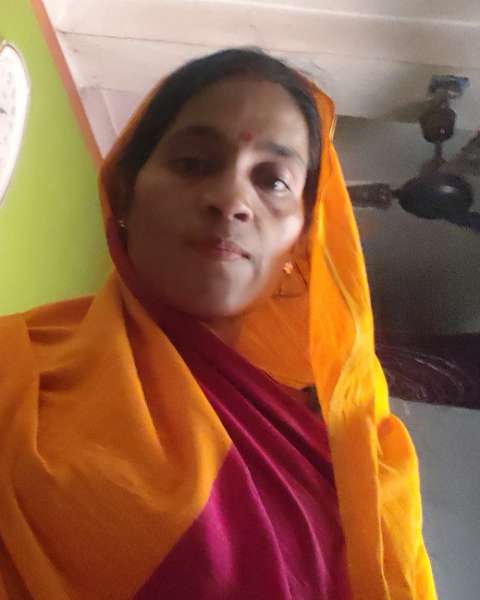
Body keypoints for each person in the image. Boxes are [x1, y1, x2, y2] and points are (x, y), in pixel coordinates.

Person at [0, 48, 437, 599]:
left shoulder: (357, 462)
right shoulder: (16, 371)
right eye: (192, 163)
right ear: (124, 192)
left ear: (301, 241)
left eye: (273, 181)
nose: (231, 198)